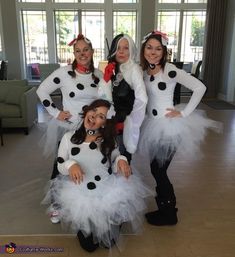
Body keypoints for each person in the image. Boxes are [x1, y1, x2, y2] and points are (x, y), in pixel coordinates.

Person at [42, 99, 151, 252]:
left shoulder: (108, 140)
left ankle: (114, 219)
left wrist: (121, 160)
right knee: (89, 246)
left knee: (108, 243)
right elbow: (60, 165)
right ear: (86, 111)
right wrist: (70, 164)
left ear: (105, 123)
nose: (94, 116)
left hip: (106, 191)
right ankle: (94, 222)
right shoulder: (68, 138)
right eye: (93, 111)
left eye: (101, 116)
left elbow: (114, 161)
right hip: (81, 194)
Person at [137, 30, 222, 226]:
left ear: (164, 51)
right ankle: (164, 209)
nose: (153, 52)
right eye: (149, 48)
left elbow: (199, 88)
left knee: (159, 171)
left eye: (158, 48)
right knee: (155, 169)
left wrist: (183, 113)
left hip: (168, 128)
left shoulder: (170, 70)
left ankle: (169, 214)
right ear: (143, 50)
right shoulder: (145, 71)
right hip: (152, 124)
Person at [37, 34, 104, 223]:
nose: (82, 54)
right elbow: (42, 90)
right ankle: (56, 204)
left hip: (91, 129)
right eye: (78, 51)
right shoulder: (64, 72)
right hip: (68, 127)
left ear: (92, 52)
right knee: (60, 166)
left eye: (86, 50)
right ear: (73, 53)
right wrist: (55, 112)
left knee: (89, 163)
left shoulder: (98, 75)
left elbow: (104, 101)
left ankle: (85, 198)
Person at [99, 33, 148, 163]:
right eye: (118, 48)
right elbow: (102, 98)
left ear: (131, 50)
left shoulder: (134, 69)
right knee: (109, 159)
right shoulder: (114, 69)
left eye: (126, 48)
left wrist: (133, 122)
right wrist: (106, 80)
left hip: (124, 126)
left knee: (123, 161)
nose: (121, 52)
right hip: (110, 124)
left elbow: (142, 98)